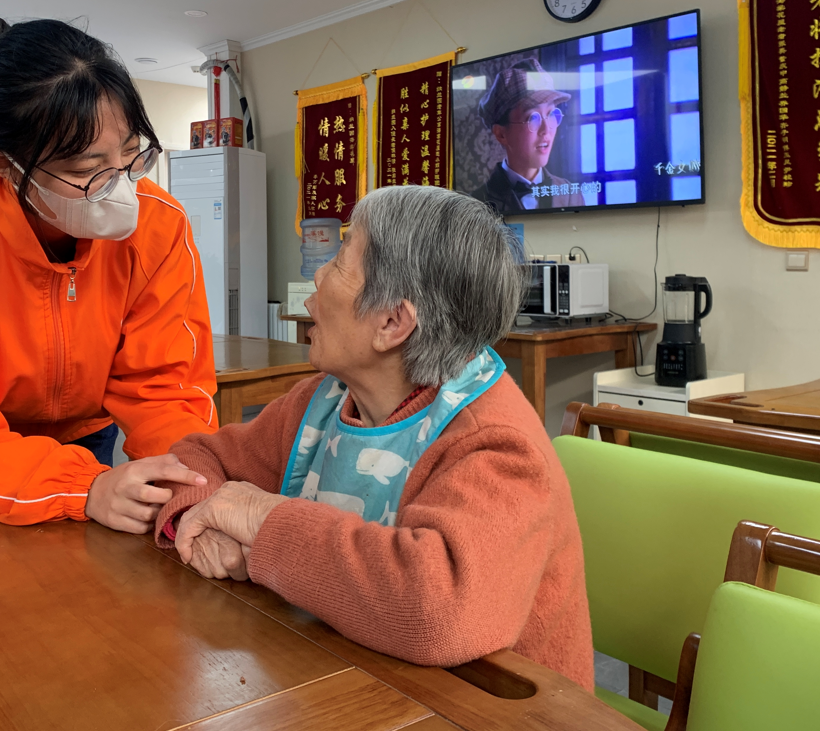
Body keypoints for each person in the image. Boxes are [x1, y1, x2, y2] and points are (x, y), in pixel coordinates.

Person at [153, 185, 594, 689]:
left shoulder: (496, 446)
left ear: (391, 323)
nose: (317, 275)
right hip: (354, 679)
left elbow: (439, 612)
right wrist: (198, 522)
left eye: (340, 262)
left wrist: (262, 519)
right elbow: (197, 459)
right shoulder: (323, 401)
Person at [0, 15, 213, 531]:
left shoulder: (161, 226)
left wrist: (194, 475)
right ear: (4, 165)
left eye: (133, 153)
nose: (121, 189)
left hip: (87, 436)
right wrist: (80, 487)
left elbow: (164, 388)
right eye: (82, 170)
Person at [472, 58, 586, 212]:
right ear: (501, 134)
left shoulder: (571, 194)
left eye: (552, 114)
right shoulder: (475, 203)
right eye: (533, 117)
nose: (546, 129)